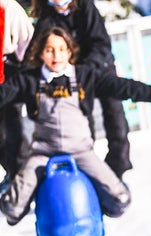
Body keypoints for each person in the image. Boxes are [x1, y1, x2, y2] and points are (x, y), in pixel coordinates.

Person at [0, 26, 151, 225]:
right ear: (41, 53)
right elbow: (4, 93)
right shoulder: (30, 80)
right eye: (49, 50)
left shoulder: (85, 76)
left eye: (61, 49)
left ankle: (92, 210)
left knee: (120, 200)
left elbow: (122, 87)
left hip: (81, 152)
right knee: (11, 206)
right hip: (43, 153)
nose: (56, 55)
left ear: (69, 52)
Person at [28, 0, 135, 180]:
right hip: (73, 78)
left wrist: (88, 69)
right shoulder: (46, 19)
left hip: (100, 68)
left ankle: (118, 167)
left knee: (114, 116)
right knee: (82, 121)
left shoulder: (85, 7)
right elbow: (36, 54)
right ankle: (85, 170)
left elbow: (100, 42)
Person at [0, 0, 33, 193]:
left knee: (16, 131)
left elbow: (26, 41)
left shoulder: (8, 8)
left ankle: (23, 182)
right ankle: (13, 175)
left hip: (12, 76)